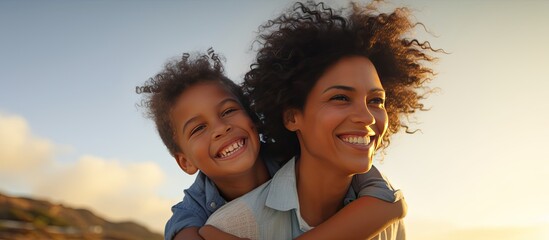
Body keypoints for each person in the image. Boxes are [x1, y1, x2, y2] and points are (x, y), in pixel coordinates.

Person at [200, 1, 439, 240]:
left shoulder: (389, 220)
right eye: (341, 98)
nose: (366, 116)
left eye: (376, 101)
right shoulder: (232, 227)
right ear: (293, 117)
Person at [138, 49, 405, 240]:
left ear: (253, 118)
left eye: (229, 111)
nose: (221, 129)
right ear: (185, 161)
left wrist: (391, 207)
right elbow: (183, 227)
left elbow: (384, 198)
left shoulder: (292, 153)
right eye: (198, 128)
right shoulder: (201, 208)